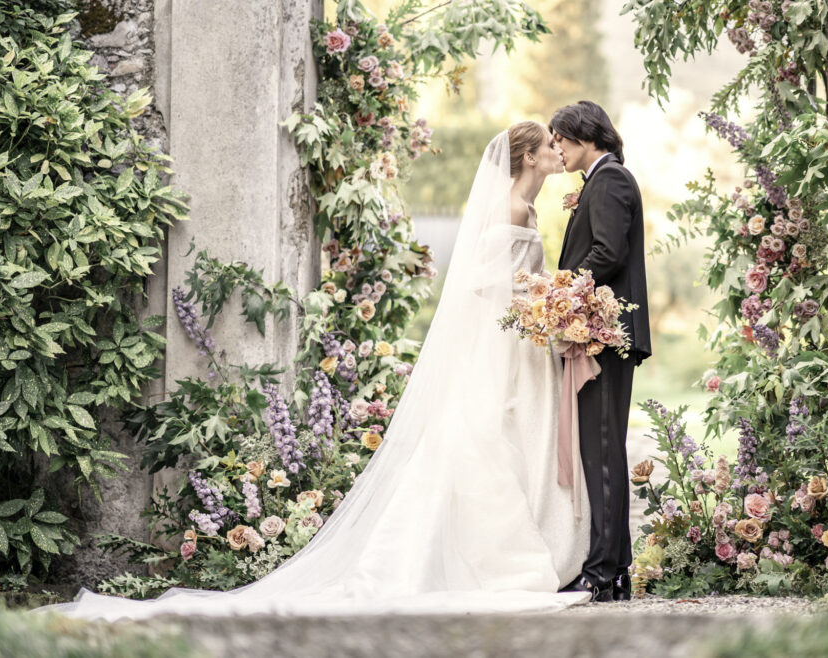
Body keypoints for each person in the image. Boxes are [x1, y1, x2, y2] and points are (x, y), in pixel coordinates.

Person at [43, 123, 592, 621]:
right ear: (526, 157)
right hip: (503, 341)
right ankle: (492, 557)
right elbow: (486, 285)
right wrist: (543, 302)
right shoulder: (511, 209)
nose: (555, 151)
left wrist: (547, 304)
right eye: (548, 146)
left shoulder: (527, 206)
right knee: (485, 439)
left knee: (505, 438)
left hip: (519, 339)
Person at [551, 101, 651, 602]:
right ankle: (616, 569)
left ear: (586, 136)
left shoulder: (609, 179)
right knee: (601, 451)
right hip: (600, 332)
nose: (557, 150)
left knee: (604, 453)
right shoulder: (601, 179)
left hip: (606, 336)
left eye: (562, 140)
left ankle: (603, 572)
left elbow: (607, 254)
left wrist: (561, 294)